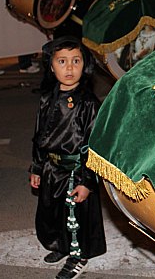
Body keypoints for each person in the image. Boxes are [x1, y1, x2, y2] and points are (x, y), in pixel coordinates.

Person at [29, 36, 106, 278]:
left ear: (86, 65)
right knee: (52, 212)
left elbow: (93, 145)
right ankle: (60, 245)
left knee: (75, 218)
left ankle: (78, 255)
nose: (69, 68)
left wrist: (87, 181)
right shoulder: (46, 98)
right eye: (62, 61)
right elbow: (39, 135)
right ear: (51, 66)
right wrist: (37, 167)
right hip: (52, 169)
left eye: (76, 61)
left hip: (76, 172)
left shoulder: (88, 103)